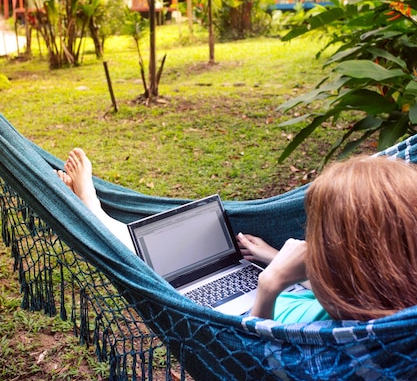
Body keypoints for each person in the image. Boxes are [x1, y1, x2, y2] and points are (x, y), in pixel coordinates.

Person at [58, 150, 417, 323]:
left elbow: (258, 353)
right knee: (155, 249)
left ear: (358, 254)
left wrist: (272, 281)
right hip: (284, 288)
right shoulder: (381, 295)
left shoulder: (344, 337)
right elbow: (337, 293)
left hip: (246, 315)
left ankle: (92, 207)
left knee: (136, 255)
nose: (311, 237)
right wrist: (274, 257)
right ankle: (100, 214)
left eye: (321, 234)